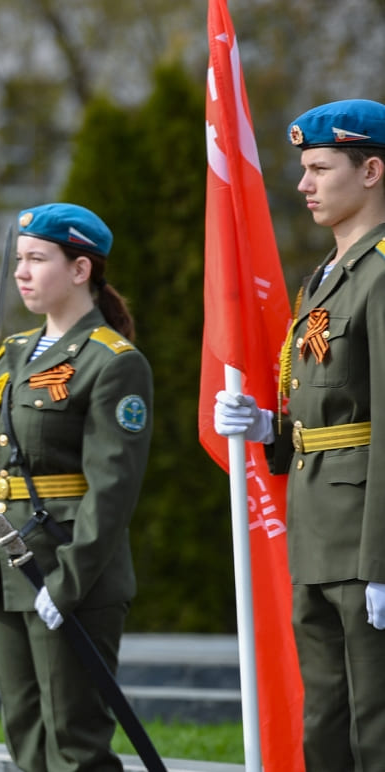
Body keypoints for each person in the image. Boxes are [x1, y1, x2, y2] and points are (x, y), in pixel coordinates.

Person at [0, 203, 153, 771]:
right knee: (25, 733)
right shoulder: (15, 352)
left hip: (64, 569)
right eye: (19, 259)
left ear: (81, 269)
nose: (22, 272)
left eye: (38, 259)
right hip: (1, 567)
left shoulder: (112, 362)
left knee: (74, 738)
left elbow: (112, 490)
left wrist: (69, 581)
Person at [213, 98, 385, 772]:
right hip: (316, 531)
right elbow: (325, 411)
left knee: (376, 727)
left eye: (319, 168)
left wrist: (380, 561)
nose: (303, 184)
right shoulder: (325, 277)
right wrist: (268, 429)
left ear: (371, 169)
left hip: (364, 540)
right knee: (326, 725)